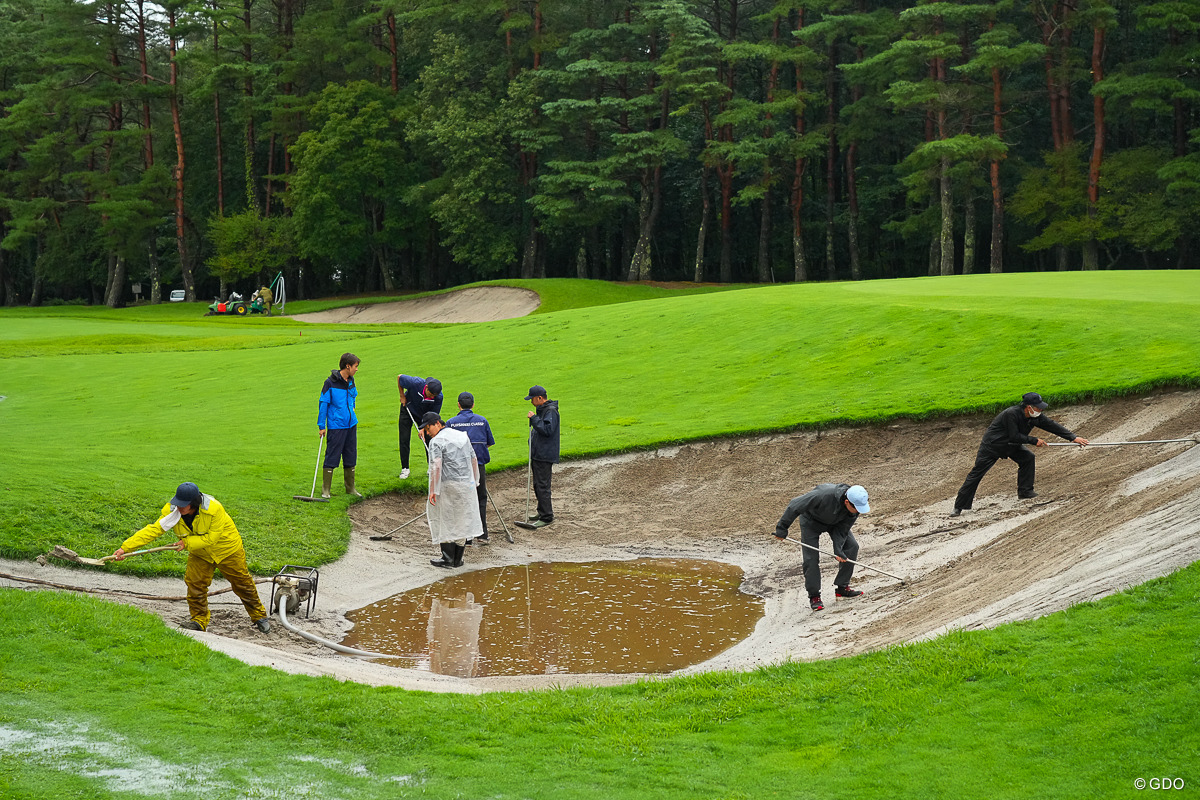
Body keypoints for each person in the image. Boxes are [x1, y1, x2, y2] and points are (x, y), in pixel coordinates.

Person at [113, 482, 270, 633]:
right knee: (194, 583)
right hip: (200, 552)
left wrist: (186, 542)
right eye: (178, 502)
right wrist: (125, 548)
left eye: (184, 504)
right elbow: (153, 530)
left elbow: (212, 539)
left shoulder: (214, 509)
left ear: (194, 503)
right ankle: (199, 620)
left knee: (242, 583)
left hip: (227, 550)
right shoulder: (172, 511)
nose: (179, 507)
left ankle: (259, 617)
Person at [950, 392, 1089, 517]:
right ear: (1029, 407)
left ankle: (1025, 491)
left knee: (1028, 458)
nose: (1040, 410)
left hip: (1012, 445)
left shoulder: (1036, 416)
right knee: (976, 474)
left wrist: (1073, 437)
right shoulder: (1011, 414)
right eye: (1038, 407)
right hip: (993, 446)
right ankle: (959, 506)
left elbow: (1051, 425)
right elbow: (1014, 436)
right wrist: (1035, 441)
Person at [774, 483, 870, 612]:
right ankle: (814, 596)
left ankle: (842, 588)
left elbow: (843, 529)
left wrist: (838, 550)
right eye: (857, 508)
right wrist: (782, 528)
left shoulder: (855, 507)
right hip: (811, 523)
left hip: (836, 524)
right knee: (811, 559)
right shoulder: (823, 495)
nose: (859, 511)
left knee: (852, 547)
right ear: (847, 502)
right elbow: (794, 505)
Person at [420, 412, 483, 568]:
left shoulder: (437, 441)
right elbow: (473, 459)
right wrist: (475, 480)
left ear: (437, 424)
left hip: (448, 486)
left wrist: (433, 490)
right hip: (466, 485)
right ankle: (458, 559)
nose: (428, 433)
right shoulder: (462, 436)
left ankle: (447, 558)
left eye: (428, 429)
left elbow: (436, 466)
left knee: (446, 519)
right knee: (462, 520)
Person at [447, 392, 495, 545]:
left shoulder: (451, 423)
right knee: (480, 499)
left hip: (459, 469)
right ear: (473, 405)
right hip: (478, 465)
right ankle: (482, 534)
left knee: (462, 500)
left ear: (458, 405)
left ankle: (466, 537)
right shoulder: (482, 421)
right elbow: (488, 443)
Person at [318, 353, 361, 498]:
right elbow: (323, 404)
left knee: (350, 455)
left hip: (351, 425)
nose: (356, 369)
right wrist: (321, 425)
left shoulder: (351, 381)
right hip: (336, 426)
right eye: (355, 367)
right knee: (332, 455)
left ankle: (350, 489)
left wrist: (353, 409)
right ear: (347, 366)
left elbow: (353, 397)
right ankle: (326, 490)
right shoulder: (330, 383)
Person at [525, 385, 560, 528]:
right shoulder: (543, 410)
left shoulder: (550, 411)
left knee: (542, 486)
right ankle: (542, 511)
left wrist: (534, 419)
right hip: (538, 453)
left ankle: (546, 516)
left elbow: (547, 430)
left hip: (544, 454)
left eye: (532, 399)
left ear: (540, 398)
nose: (531, 402)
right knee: (537, 485)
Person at [397, 374, 443, 479]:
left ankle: (431, 466)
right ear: (426, 388)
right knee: (404, 438)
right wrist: (402, 395)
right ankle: (405, 468)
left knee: (429, 437)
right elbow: (400, 377)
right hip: (407, 409)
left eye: (434, 396)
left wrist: (423, 428)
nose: (432, 397)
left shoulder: (438, 397)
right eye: (430, 394)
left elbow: (433, 415)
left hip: (425, 415)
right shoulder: (415, 383)